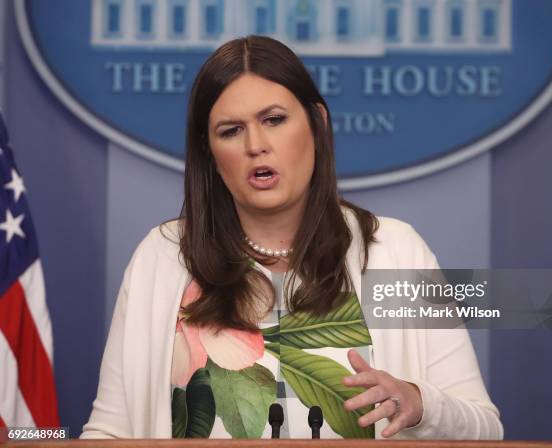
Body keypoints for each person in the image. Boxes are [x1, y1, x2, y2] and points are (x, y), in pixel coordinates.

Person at [81, 35, 503, 440]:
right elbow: (108, 434)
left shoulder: (394, 250)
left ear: (317, 123)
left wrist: (419, 402)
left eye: (274, 120)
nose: (256, 145)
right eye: (231, 130)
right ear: (209, 151)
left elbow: (485, 426)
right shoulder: (165, 256)